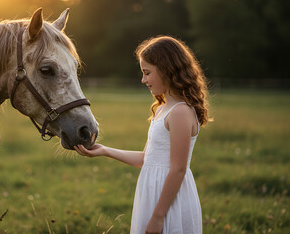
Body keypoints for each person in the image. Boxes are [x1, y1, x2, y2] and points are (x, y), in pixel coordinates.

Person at [74, 36, 211, 234]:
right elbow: (146, 159)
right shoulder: (163, 109)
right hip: (153, 195)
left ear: (166, 69)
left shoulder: (180, 112)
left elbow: (178, 169)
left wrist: (158, 216)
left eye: (147, 73)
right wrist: (104, 151)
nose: (143, 80)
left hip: (170, 201)